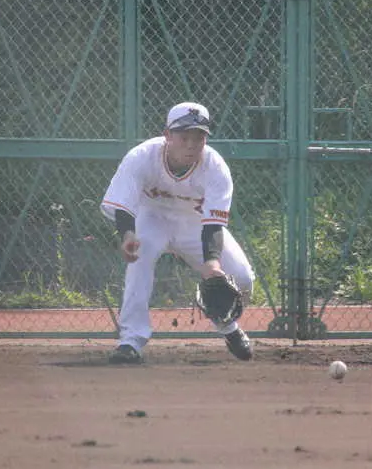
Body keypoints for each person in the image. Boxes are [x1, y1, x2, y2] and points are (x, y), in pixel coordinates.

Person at [100, 101, 256, 364]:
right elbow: (124, 203)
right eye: (184, 137)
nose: (192, 144)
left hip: (195, 224)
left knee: (241, 278)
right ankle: (130, 341)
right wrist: (127, 235)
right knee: (140, 259)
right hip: (152, 218)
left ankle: (229, 328)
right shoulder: (142, 157)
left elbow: (213, 223)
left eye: (199, 137)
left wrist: (212, 263)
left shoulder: (215, 167)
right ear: (167, 135)